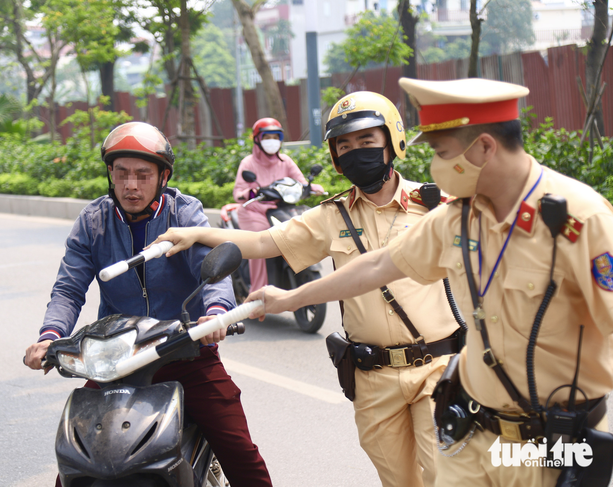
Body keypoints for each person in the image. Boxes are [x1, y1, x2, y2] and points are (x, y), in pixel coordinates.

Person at [240, 78, 613, 486]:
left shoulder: (581, 222)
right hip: (473, 430)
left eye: (441, 152)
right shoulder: (458, 218)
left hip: (549, 440)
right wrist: (289, 298)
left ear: (485, 147)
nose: (434, 165)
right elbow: (376, 267)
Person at [154, 93, 465, 487]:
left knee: (446, 475)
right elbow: (265, 243)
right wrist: (197, 232)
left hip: (435, 371)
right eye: (344, 146)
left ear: (392, 141)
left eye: (367, 141)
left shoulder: (435, 206)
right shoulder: (331, 216)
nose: (355, 152)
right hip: (373, 380)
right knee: (398, 481)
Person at [23, 121, 273, 487]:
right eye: (121, 173)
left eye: (142, 175)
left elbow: (212, 272)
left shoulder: (183, 214)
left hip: (185, 351)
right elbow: (68, 288)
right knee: (78, 458)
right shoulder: (93, 222)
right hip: (117, 360)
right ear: (110, 174)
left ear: (163, 176)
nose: (130, 185)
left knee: (238, 448)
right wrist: (49, 337)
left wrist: (216, 314)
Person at [233, 118, 323, 293]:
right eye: (268, 137)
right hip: (254, 212)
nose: (272, 141)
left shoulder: (285, 161)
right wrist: (254, 192)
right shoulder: (248, 163)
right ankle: (257, 293)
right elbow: (239, 192)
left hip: (281, 210)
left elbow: (300, 182)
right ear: (258, 139)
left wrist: (310, 188)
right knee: (258, 243)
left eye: (276, 137)